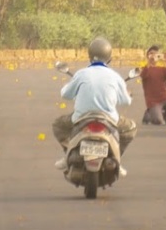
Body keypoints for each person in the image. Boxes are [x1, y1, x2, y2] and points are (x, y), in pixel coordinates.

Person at [52, 37, 138, 174]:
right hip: (109, 119)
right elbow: (126, 101)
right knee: (130, 128)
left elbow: (66, 95)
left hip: (81, 118)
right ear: (110, 58)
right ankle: (117, 159)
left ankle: (67, 154)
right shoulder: (115, 77)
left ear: (89, 56)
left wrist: (69, 88)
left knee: (58, 125)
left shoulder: (81, 74)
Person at [139, 45, 166, 125]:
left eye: (156, 54)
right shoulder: (143, 68)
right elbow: (143, 75)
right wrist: (149, 62)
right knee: (158, 121)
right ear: (147, 56)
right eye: (151, 54)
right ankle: (149, 114)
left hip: (164, 97)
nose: (153, 56)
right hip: (153, 101)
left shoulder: (161, 69)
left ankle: (165, 118)